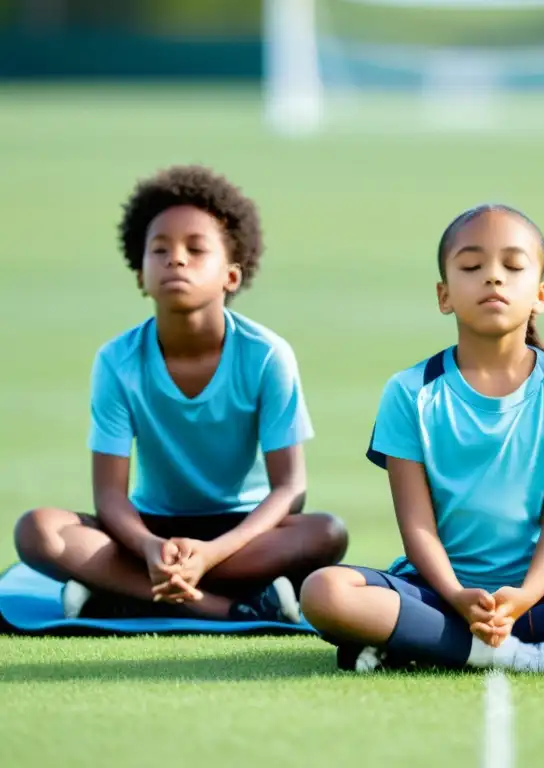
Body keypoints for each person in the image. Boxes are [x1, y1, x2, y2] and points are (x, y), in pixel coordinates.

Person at [299, 204, 544, 673]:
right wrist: (458, 595)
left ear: (540, 294)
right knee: (323, 592)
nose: (493, 278)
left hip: (541, 593)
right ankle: (529, 656)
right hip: (434, 591)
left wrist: (522, 598)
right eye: (472, 266)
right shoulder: (409, 392)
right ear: (444, 295)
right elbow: (417, 524)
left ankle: (420, 644)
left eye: (513, 265)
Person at [13, 165, 348, 623]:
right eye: (160, 249)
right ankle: (228, 607)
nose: (176, 259)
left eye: (196, 249)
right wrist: (151, 546)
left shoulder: (268, 356)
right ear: (140, 275)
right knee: (38, 531)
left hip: (241, 535)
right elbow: (109, 497)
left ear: (232, 275)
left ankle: (123, 591)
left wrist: (210, 553)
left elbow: (290, 488)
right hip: (147, 531)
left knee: (326, 533)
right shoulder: (117, 361)